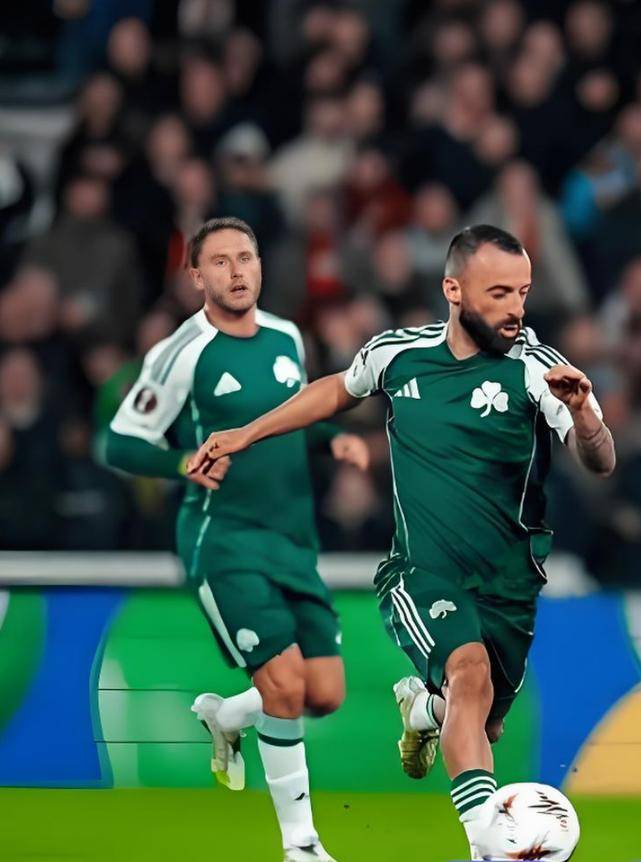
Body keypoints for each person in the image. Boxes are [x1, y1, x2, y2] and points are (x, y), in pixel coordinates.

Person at [186, 224, 616, 861]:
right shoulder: (399, 354)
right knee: (468, 677)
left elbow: (600, 459)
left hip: (510, 582)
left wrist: (583, 414)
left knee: (483, 719)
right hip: (423, 570)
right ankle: (485, 846)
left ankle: (409, 712)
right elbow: (336, 390)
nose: (515, 308)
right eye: (498, 292)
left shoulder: (537, 369)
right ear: (454, 289)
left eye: (523, 292)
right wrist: (247, 433)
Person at [103, 217, 368, 862]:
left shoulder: (287, 335)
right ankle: (301, 845)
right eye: (220, 262)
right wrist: (180, 462)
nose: (237, 271)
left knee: (323, 693)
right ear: (197, 277)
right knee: (284, 687)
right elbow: (119, 441)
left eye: (245, 257)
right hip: (223, 538)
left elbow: (288, 415)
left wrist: (331, 439)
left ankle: (225, 717)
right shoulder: (181, 352)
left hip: (293, 539)